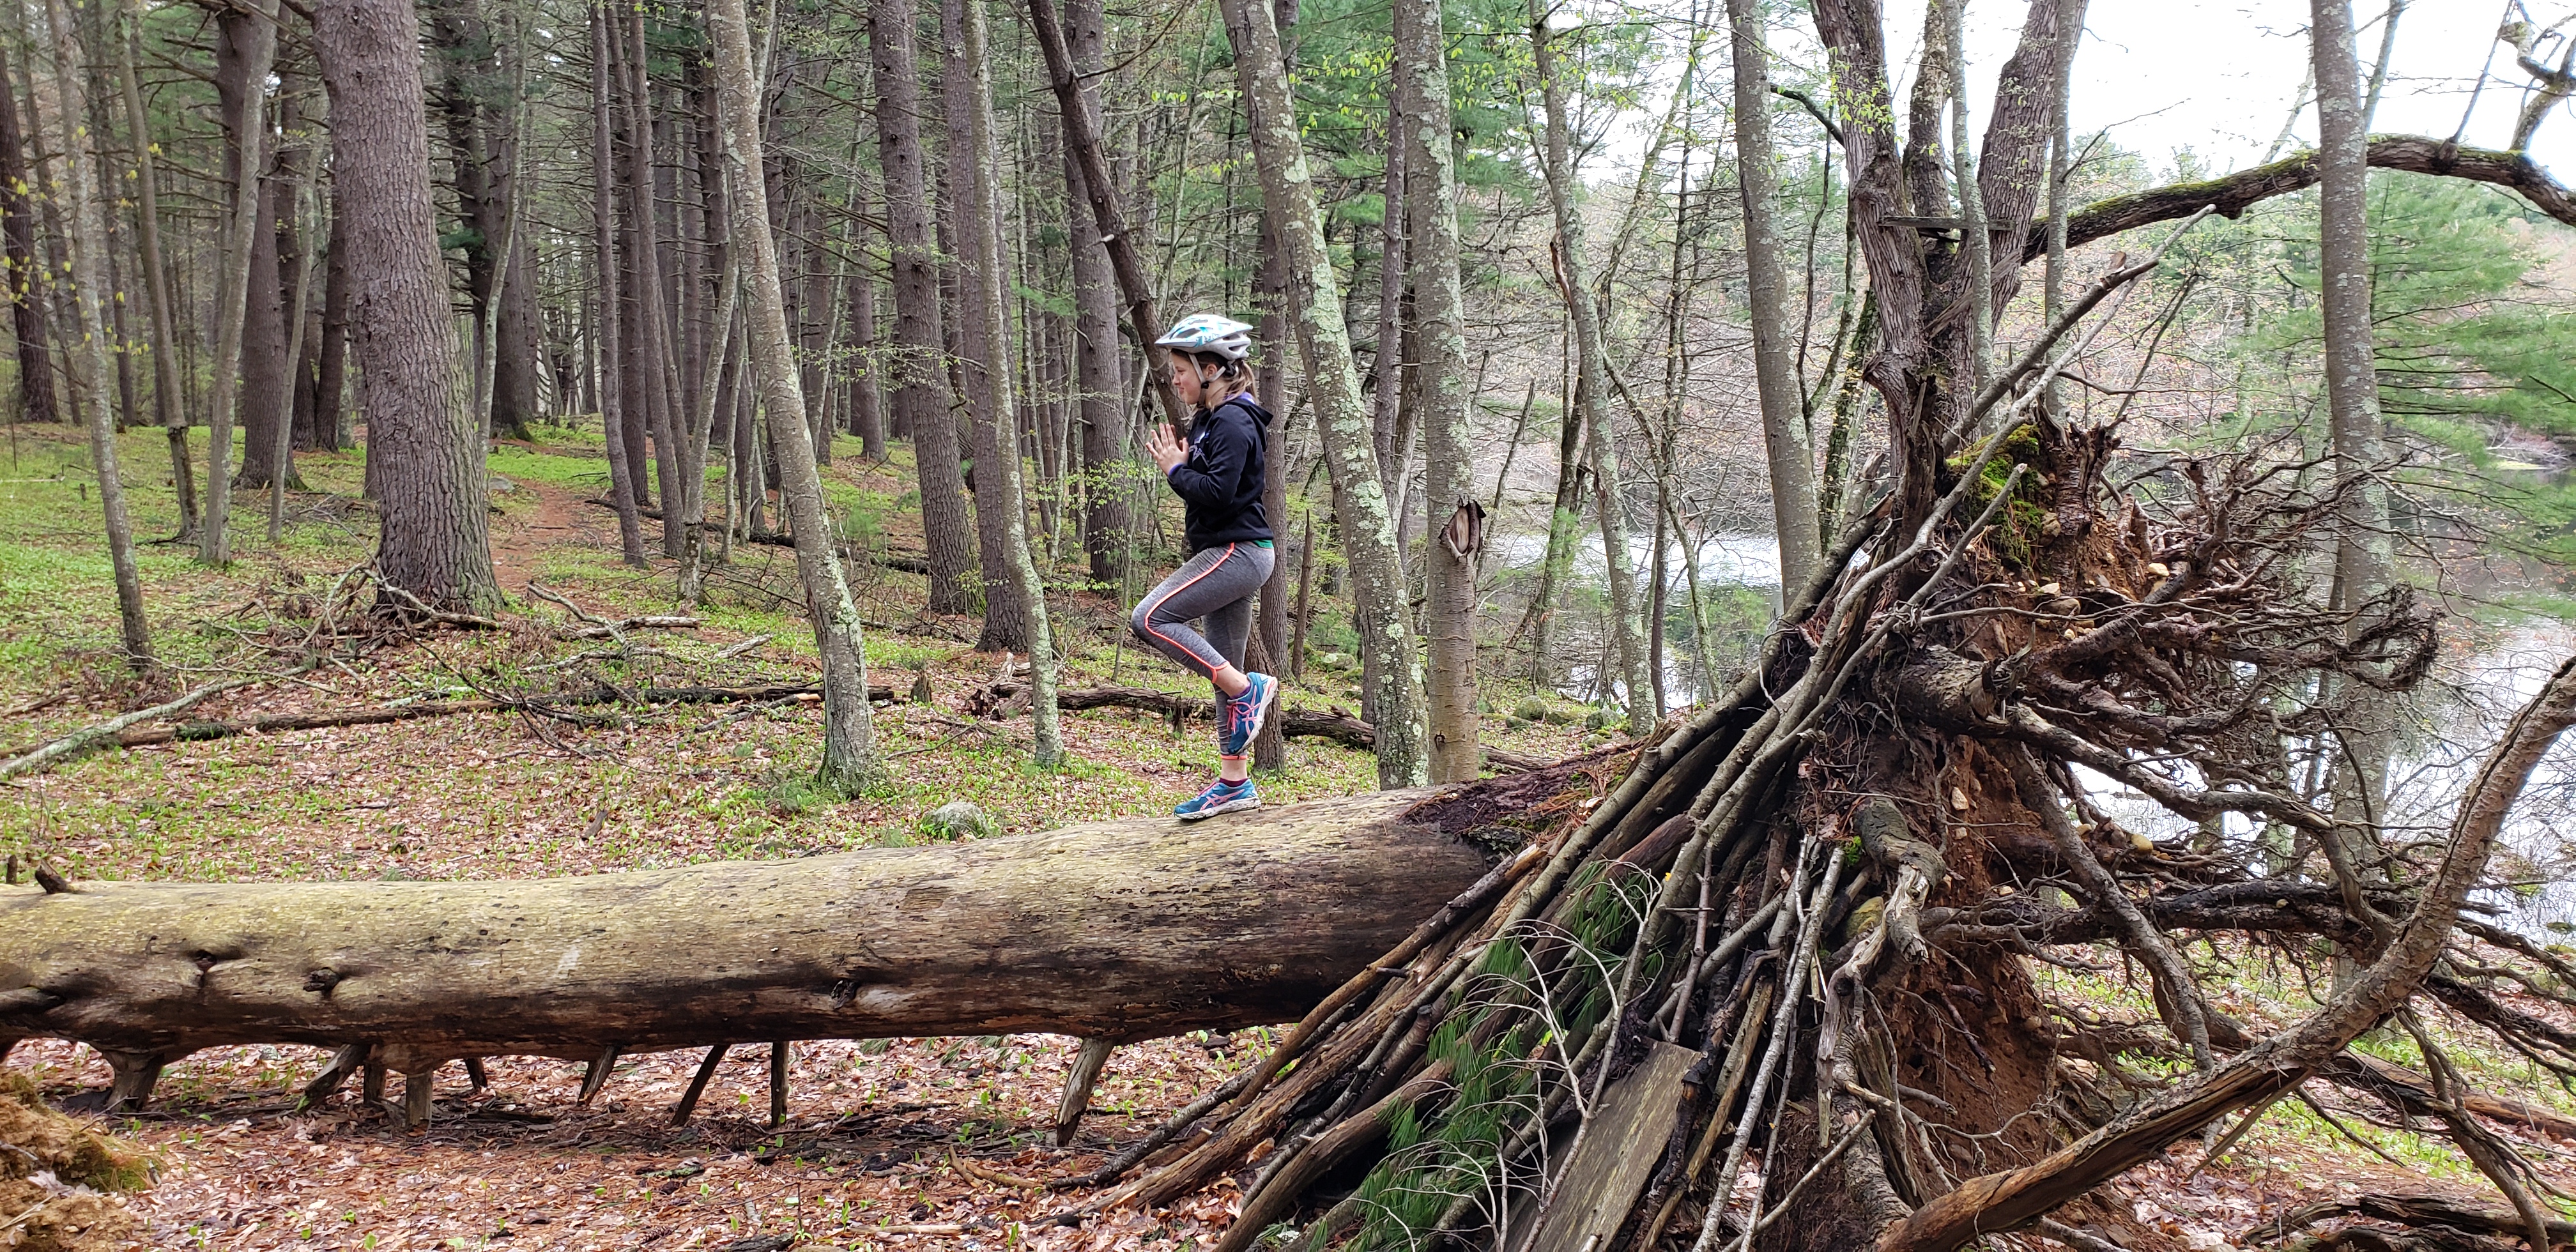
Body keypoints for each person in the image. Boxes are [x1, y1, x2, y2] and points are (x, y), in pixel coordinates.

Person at [1133, 314, 1280, 820]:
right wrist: (1184, 461)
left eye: (1181, 369)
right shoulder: (1217, 419)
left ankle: (1249, 690)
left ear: (1212, 368)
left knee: (1150, 618)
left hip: (1238, 551)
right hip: (1236, 551)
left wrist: (1176, 470)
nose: (1174, 379)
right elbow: (1216, 481)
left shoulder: (1235, 421)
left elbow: (1218, 495)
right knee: (1223, 667)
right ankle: (1234, 784)